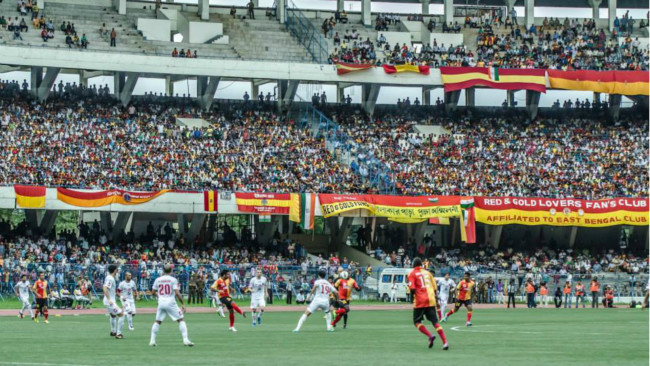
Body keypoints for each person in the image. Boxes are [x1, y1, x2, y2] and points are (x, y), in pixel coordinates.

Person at [407, 257, 449, 350]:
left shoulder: (412, 274)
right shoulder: (428, 273)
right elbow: (434, 288)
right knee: (435, 322)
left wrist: (411, 299)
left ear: (413, 265)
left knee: (416, 322)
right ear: (421, 265)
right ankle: (445, 342)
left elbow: (412, 289)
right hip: (431, 300)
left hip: (420, 301)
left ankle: (430, 335)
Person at [150, 264, 194, 347]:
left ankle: (152, 341)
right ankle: (185, 340)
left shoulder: (158, 279)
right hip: (170, 302)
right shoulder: (173, 279)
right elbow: (177, 293)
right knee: (181, 319)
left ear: (163, 270)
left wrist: (159, 296)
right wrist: (183, 304)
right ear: (171, 270)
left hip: (161, 302)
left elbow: (153, 292)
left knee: (157, 321)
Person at [103, 264, 125, 339]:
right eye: (117, 269)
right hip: (110, 301)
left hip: (110, 300)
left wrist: (121, 296)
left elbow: (111, 290)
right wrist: (109, 299)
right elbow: (105, 287)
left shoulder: (111, 278)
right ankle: (118, 334)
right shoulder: (110, 278)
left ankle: (113, 331)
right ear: (114, 270)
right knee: (121, 314)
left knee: (113, 315)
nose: (118, 271)